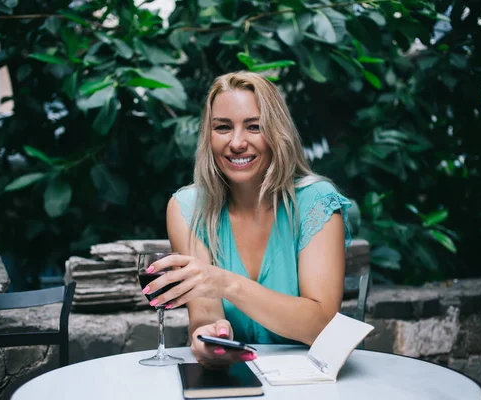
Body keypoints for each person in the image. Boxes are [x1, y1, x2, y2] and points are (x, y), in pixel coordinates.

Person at [142, 71, 352, 368]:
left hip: (309, 381)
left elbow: (321, 327)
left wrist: (227, 284)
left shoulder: (316, 201)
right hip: (237, 379)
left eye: (254, 127)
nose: (237, 142)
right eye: (223, 127)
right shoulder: (187, 208)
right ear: (209, 135)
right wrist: (208, 338)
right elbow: (205, 316)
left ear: (277, 133)